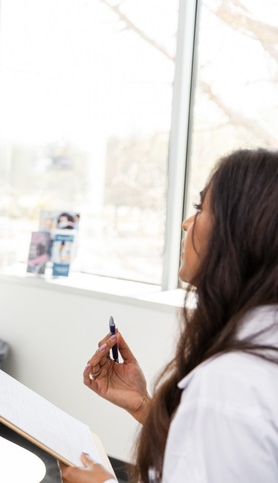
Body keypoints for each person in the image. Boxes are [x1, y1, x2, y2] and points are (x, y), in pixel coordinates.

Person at [61, 148, 278, 482]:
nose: (185, 223)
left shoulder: (229, 386)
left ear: (240, 233)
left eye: (201, 208)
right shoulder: (254, 355)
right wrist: (142, 404)